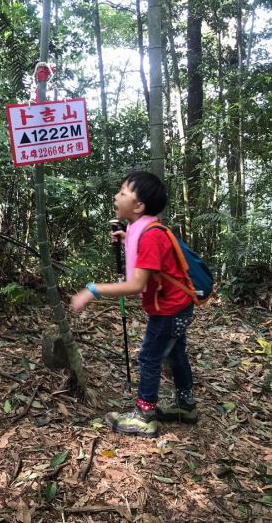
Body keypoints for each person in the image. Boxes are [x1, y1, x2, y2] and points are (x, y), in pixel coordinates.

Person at [70, 171, 197, 438]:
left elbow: (136, 285)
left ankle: (145, 414)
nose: (117, 196)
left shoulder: (151, 235)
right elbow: (150, 261)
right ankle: (186, 406)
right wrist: (127, 240)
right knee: (175, 354)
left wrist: (93, 290)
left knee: (149, 357)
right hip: (176, 307)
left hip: (170, 311)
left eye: (123, 192)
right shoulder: (144, 229)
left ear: (139, 206)